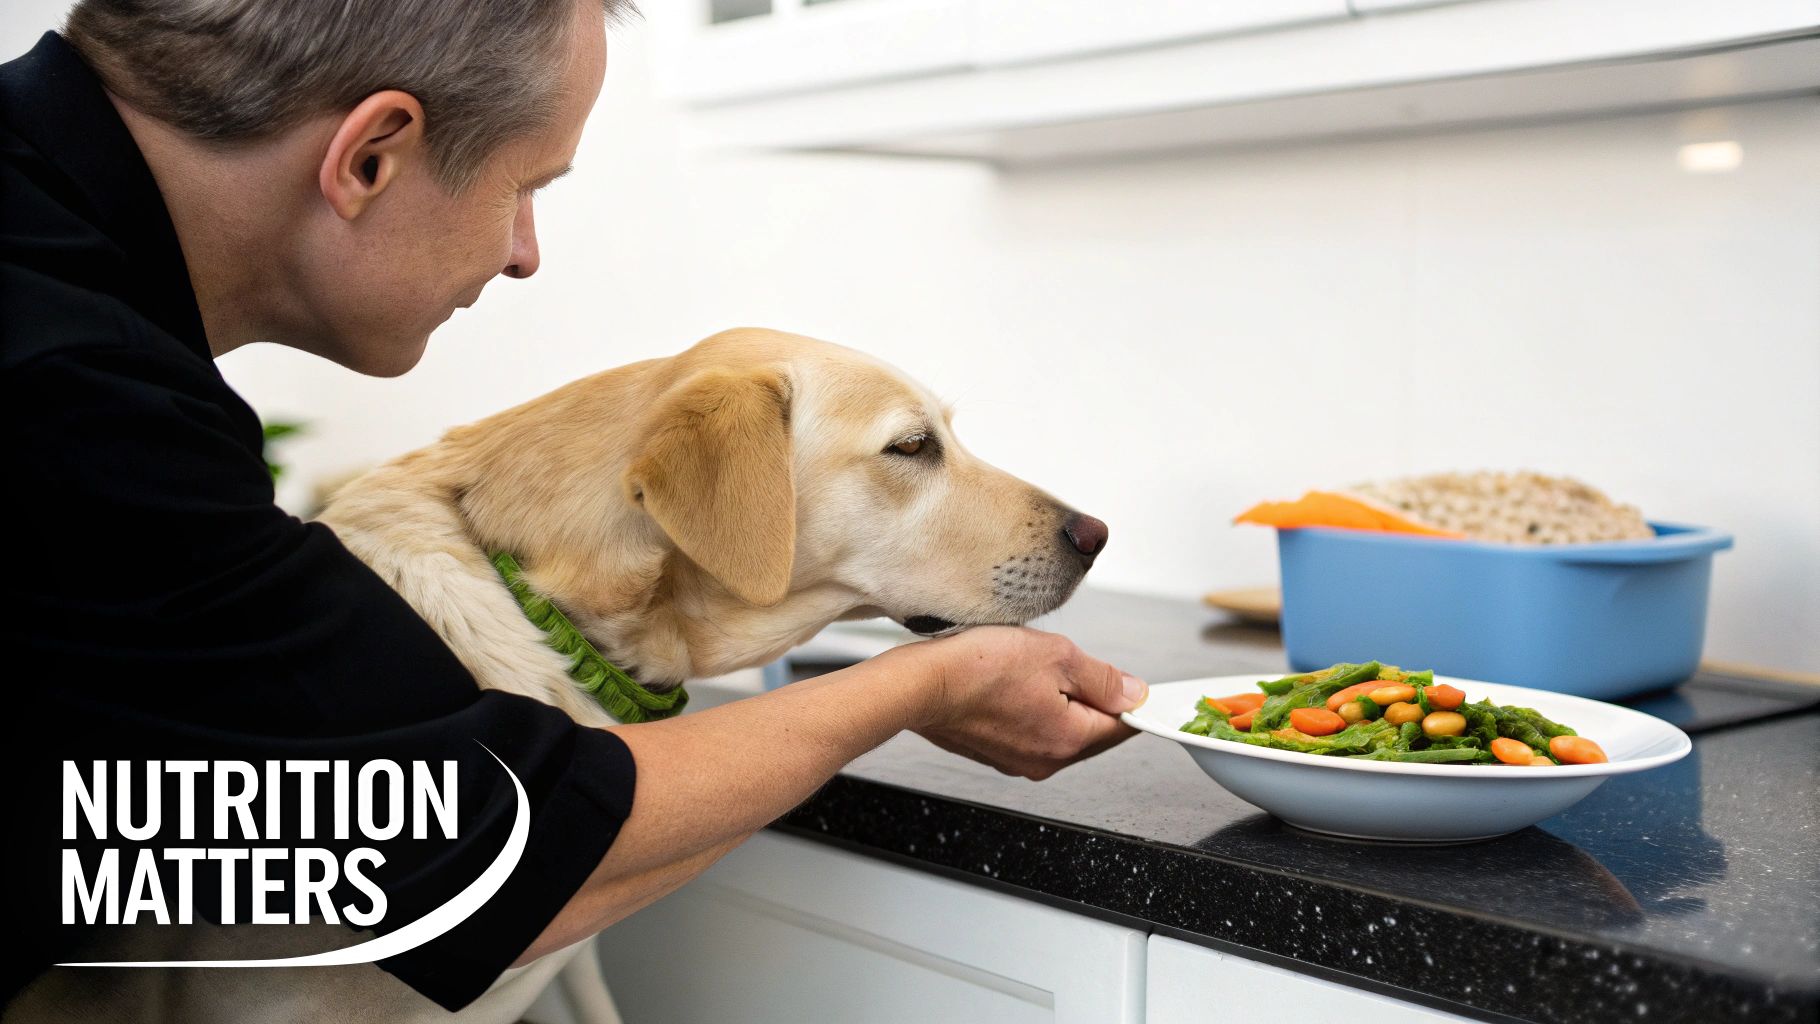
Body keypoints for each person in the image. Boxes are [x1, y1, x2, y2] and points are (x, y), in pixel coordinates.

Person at [0, 0, 1147, 1014]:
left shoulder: (64, 293)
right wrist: (919, 682)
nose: (524, 253)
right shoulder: (76, 388)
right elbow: (471, 857)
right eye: (526, 185)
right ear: (371, 157)